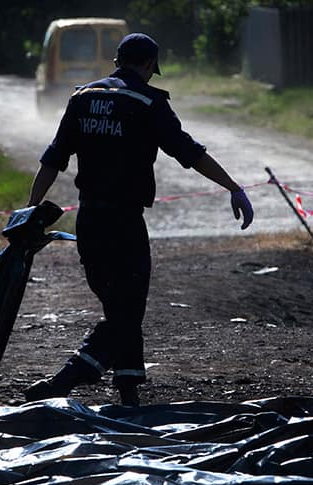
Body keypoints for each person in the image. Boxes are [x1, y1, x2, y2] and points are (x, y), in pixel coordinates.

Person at [24, 33, 254, 407]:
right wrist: (232, 186)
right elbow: (190, 153)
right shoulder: (148, 102)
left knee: (120, 306)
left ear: (118, 61)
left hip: (89, 222)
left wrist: (32, 208)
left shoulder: (81, 99)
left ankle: (129, 391)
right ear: (148, 66)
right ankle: (66, 379)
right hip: (125, 225)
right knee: (128, 310)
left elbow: (52, 161)